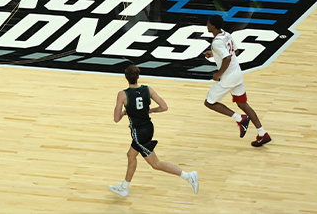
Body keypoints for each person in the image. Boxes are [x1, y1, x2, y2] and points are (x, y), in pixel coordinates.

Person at [108, 64, 199, 197]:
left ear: (126, 77)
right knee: (131, 155)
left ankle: (188, 176)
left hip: (139, 133)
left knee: (156, 164)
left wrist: (124, 112)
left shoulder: (123, 94)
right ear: (138, 76)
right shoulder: (147, 89)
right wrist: (151, 110)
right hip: (148, 127)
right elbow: (164, 107)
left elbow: (116, 119)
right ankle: (124, 187)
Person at [203, 14, 272, 147]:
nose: (207, 25)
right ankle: (262, 133)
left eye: (208, 23)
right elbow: (236, 51)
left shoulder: (217, 42)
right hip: (238, 75)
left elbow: (227, 58)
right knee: (243, 105)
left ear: (213, 26)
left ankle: (240, 118)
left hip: (228, 78)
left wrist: (218, 74)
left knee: (209, 102)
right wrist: (214, 53)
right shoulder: (226, 35)